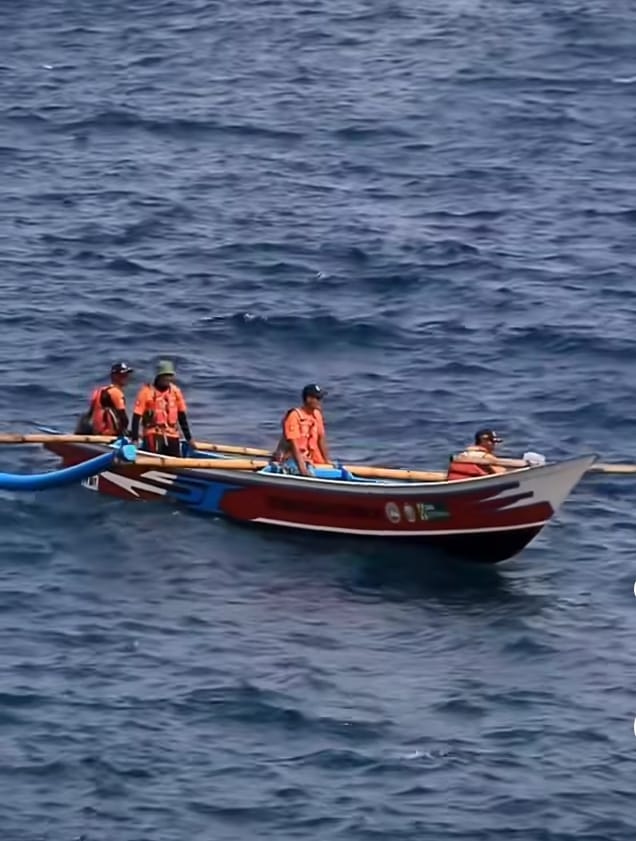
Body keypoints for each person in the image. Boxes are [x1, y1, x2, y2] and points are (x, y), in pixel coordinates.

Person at [130, 360, 195, 457]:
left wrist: (189, 439)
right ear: (159, 376)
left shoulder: (176, 392)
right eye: (165, 375)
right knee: (153, 457)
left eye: (170, 375)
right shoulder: (146, 392)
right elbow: (136, 417)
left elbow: (182, 417)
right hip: (153, 434)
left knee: (174, 461)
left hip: (172, 434)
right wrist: (134, 439)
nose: (168, 378)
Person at [272, 384, 330, 476]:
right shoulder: (294, 416)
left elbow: (321, 439)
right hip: (293, 459)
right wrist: (302, 469)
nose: (320, 402)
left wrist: (327, 463)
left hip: (311, 460)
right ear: (308, 399)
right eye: (318, 398)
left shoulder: (317, 415)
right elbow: (294, 445)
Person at [447, 428, 535, 480]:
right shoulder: (485, 457)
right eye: (493, 441)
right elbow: (500, 472)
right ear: (484, 440)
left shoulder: (464, 455)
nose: (495, 445)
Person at [76, 362, 134, 436]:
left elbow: (90, 414)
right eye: (122, 375)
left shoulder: (98, 391)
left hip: (96, 432)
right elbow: (124, 419)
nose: (125, 377)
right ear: (114, 376)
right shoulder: (116, 393)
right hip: (109, 434)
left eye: (126, 375)